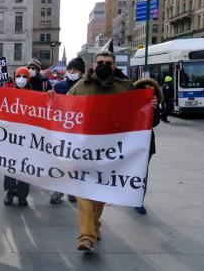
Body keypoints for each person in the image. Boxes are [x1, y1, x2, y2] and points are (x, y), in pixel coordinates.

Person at [67, 51, 157, 252]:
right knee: (83, 192)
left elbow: (142, 117)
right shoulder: (79, 87)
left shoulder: (125, 88)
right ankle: (86, 236)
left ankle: (95, 225)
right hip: (85, 150)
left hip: (111, 152)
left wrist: (151, 107)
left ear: (114, 66)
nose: (103, 65)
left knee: (100, 193)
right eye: (100, 62)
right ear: (93, 65)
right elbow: (64, 110)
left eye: (108, 63)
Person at [49, 57, 86, 205]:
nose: (71, 72)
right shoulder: (59, 86)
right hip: (62, 130)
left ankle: (73, 192)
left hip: (80, 131)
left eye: (75, 70)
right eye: (70, 69)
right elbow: (52, 105)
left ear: (81, 73)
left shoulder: (86, 86)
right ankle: (58, 191)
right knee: (61, 161)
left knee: (76, 163)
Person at [3, 67, 35, 207]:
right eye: (19, 76)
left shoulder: (35, 95)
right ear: (15, 77)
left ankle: (22, 195)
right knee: (9, 166)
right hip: (10, 136)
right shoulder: (8, 94)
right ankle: (9, 192)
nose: (21, 78)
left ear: (28, 79)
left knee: (25, 167)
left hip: (28, 138)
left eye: (24, 76)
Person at [132, 78, 162, 215]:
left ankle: (138, 200)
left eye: (151, 90)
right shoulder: (130, 102)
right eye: (143, 89)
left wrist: (153, 109)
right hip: (128, 143)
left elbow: (155, 122)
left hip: (146, 145)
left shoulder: (154, 104)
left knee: (142, 173)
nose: (147, 91)